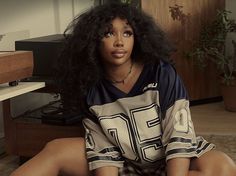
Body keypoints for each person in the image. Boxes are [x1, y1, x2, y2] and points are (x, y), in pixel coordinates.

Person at [10, 2, 236, 176]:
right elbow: (102, 150)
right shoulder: (88, 85)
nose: (119, 41)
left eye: (127, 33)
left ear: (137, 38)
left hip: (173, 161)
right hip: (125, 164)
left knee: (223, 166)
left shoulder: (160, 71)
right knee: (55, 149)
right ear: (93, 41)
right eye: (108, 33)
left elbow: (178, 136)